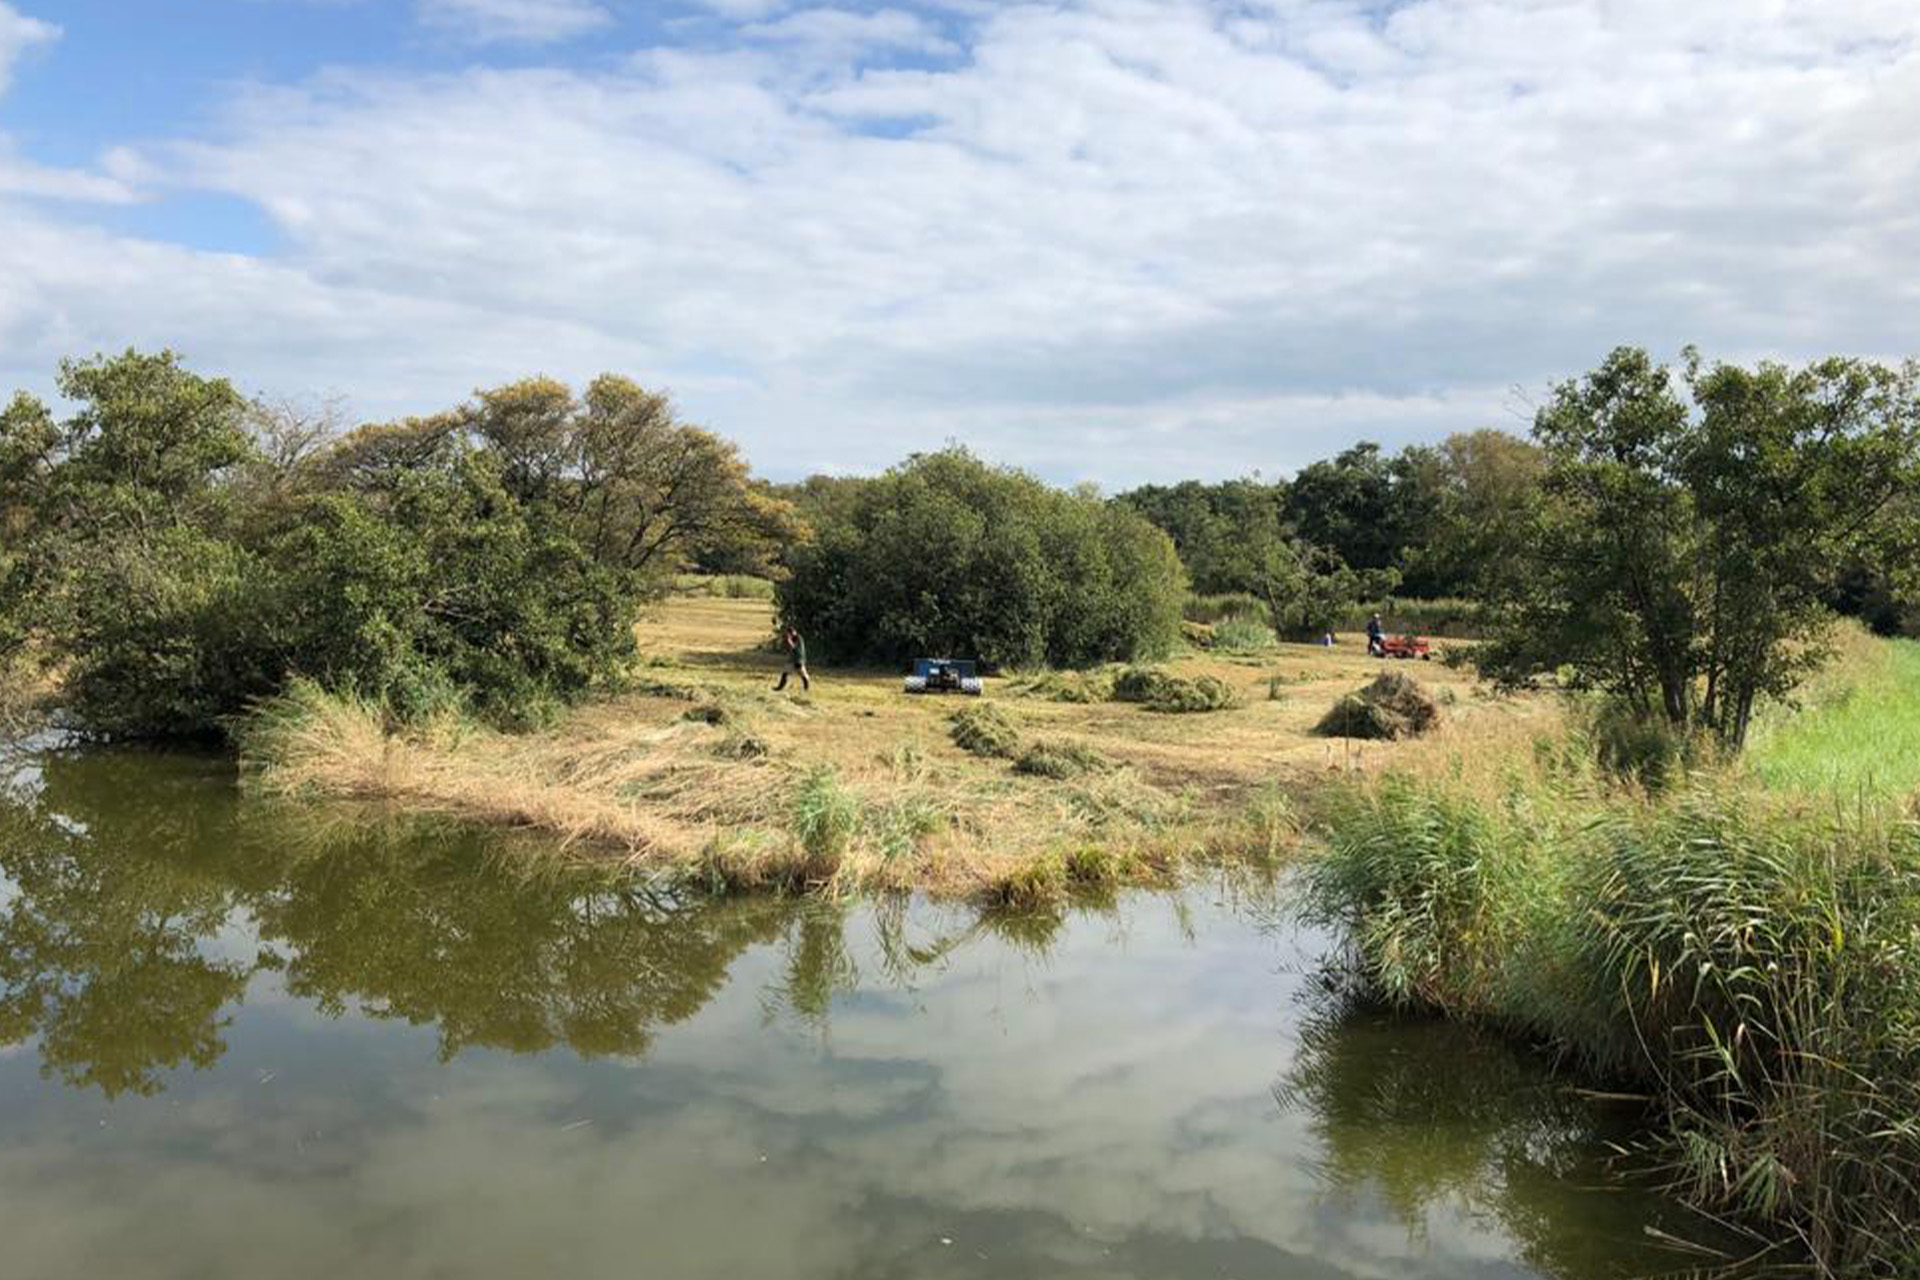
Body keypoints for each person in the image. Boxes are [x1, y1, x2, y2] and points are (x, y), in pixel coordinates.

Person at [774, 625, 811, 692]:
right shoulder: (794, 638)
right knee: (785, 673)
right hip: (794, 660)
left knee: (803, 675)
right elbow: (787, 648)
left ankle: (806, 688)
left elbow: (793, 647)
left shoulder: (798, 638)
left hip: (799, 659)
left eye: (789, 633)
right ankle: (779, 687)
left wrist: (788, 640)